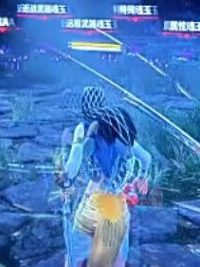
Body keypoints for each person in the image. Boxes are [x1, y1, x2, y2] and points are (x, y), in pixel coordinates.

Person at [60, 86, 152, 267]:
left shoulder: (84, 128)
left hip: (93, 202)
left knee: (75, 257)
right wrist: (142, 177)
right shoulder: (119, 128)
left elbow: (74, 161)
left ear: (84, 105)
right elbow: (146, 158)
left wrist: (67, 182)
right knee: (117, 259)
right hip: (116, 205)